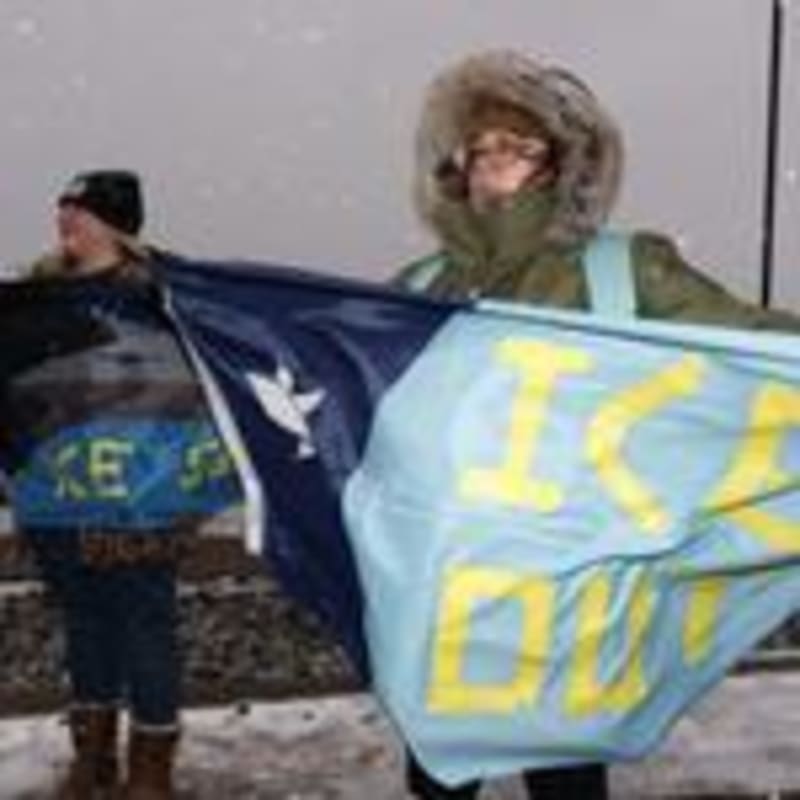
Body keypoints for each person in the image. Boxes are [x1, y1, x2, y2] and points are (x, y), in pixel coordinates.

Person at [395, 49, 800, 800]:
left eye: (517, 147)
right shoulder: (423, 287)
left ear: (559, 166)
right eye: (480, 147)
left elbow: (752, 340)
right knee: (440, 781)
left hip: (568, 594)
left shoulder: (622, 271)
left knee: (565, 778)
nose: (492, 163)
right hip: (450, 599)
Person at [10, 170, 237, 799]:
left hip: (146, 498)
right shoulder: (35, 300)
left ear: (115, 222)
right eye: (62, 209)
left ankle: (151, 768)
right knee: (86, 624)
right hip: (59, 497)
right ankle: (94, 755)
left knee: (146, 626)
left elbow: (213, 379)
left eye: (79, 211)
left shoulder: (165, 297)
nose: (65, 220)